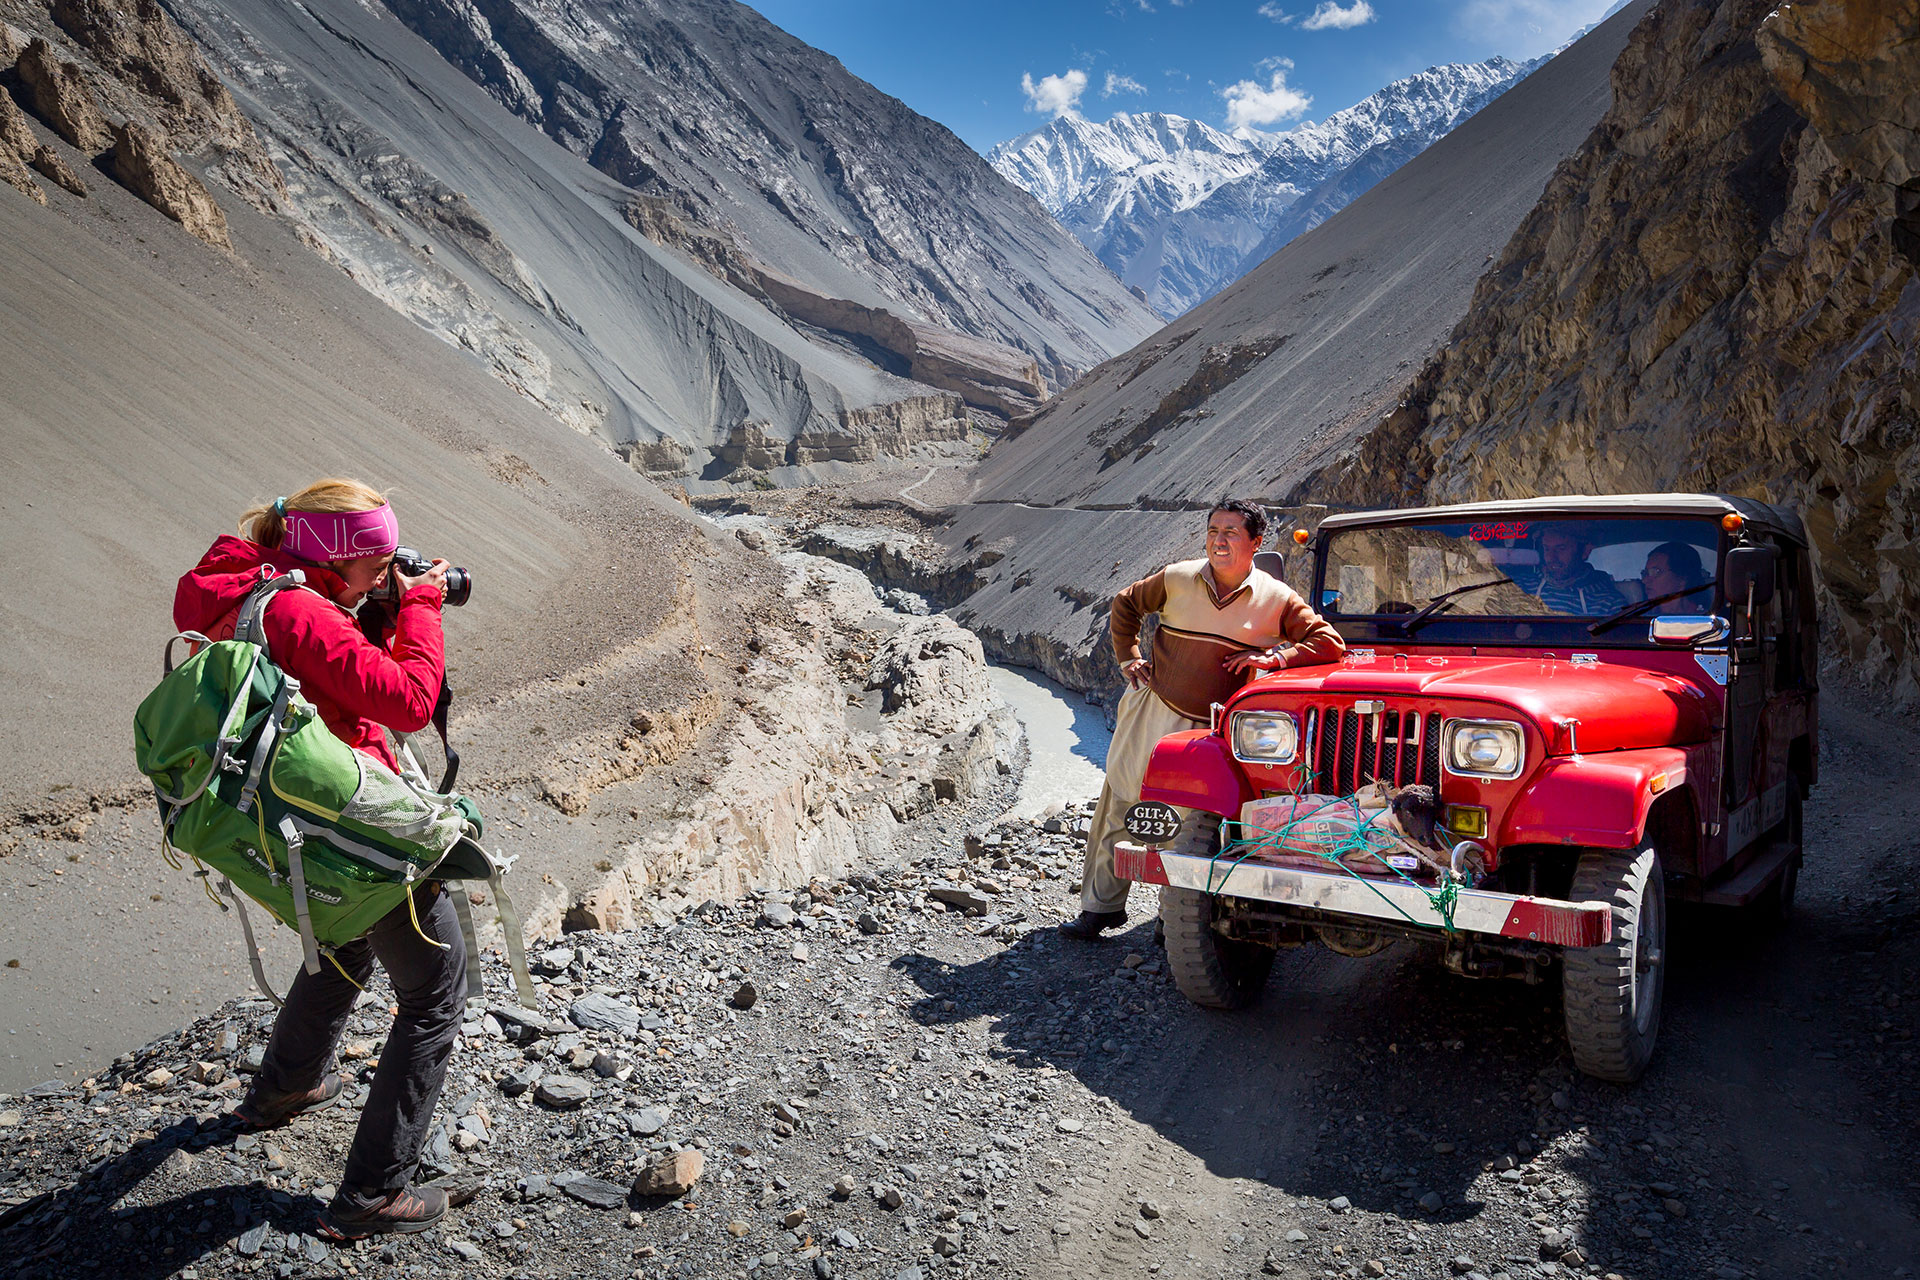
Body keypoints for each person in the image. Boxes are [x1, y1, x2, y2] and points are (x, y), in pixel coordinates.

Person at [172, 478, 463, 1240]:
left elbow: (328, 676)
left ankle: (285, 1089)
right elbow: (405, 701)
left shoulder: (251, 588)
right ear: (339, 556)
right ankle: (373, 1193)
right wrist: (423, 609)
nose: (385, 574)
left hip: (279, 819)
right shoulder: (302, 610)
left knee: (341, 941)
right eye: (375, 563)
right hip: (343, 823)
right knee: (436, 986)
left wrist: (369, 609)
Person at [1062, 501, 1345, 940]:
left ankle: (1169, 918)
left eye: (1231, 532)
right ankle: (1101, 908)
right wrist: (1129, 658)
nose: (1219, 540)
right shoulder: (1177, 578)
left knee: (1187, 824)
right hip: (1152, 710)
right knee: (1120, 800)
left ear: (1256, 542)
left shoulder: (1277, 599)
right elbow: (1125, 606)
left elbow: (1329, 643)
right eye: (1213, 530)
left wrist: (1275, 656)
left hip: (1211, 731)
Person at [1525, 526, 1628, 615]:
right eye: (1547, 549)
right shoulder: (1522, 587)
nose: (1551, 557)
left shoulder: (1608, 602)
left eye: (1561, 549)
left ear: (1585, 551)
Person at [1640, 541, 1712, 615]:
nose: (1645, 580)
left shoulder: (1704, 618)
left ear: (1682, 579)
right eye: (1645, 574)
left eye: (1655, 572)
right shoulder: (1638, 617)